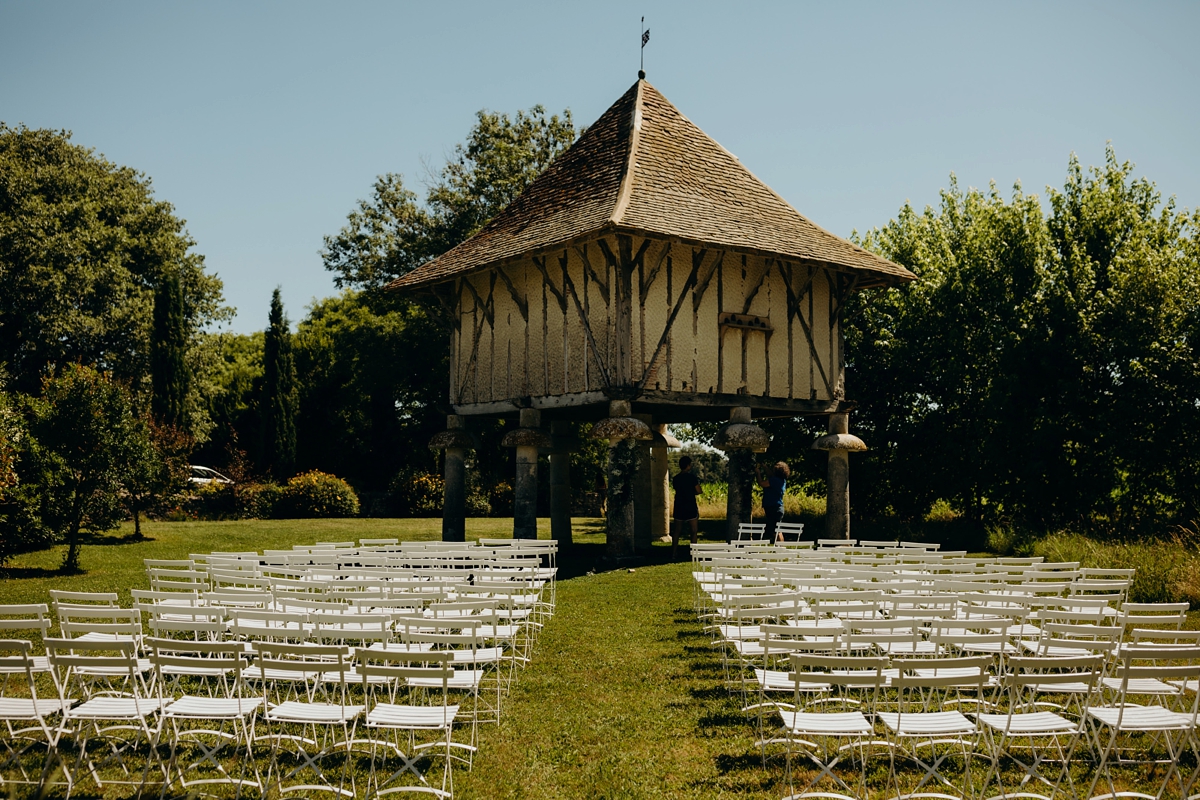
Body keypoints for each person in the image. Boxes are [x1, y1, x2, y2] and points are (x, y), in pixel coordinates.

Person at [671, 455, 702, 559]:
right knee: (693, 530)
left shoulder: (676, 479)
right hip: (690, 505)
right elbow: (699, 490)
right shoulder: (692, 478)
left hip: (679, 505)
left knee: (677, 530)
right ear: (688, 465)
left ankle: (674, 552)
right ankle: (693, 552)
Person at [756, 461, 790, 543]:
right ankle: (780, 547)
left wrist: (758, 473)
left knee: (775, 530)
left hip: (773, 508)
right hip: (777, 508)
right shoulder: (782, 480)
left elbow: (762, 483)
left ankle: (780, 547)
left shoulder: (774, 481)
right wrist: (764, 467)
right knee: (778, 529)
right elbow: (770, 475)